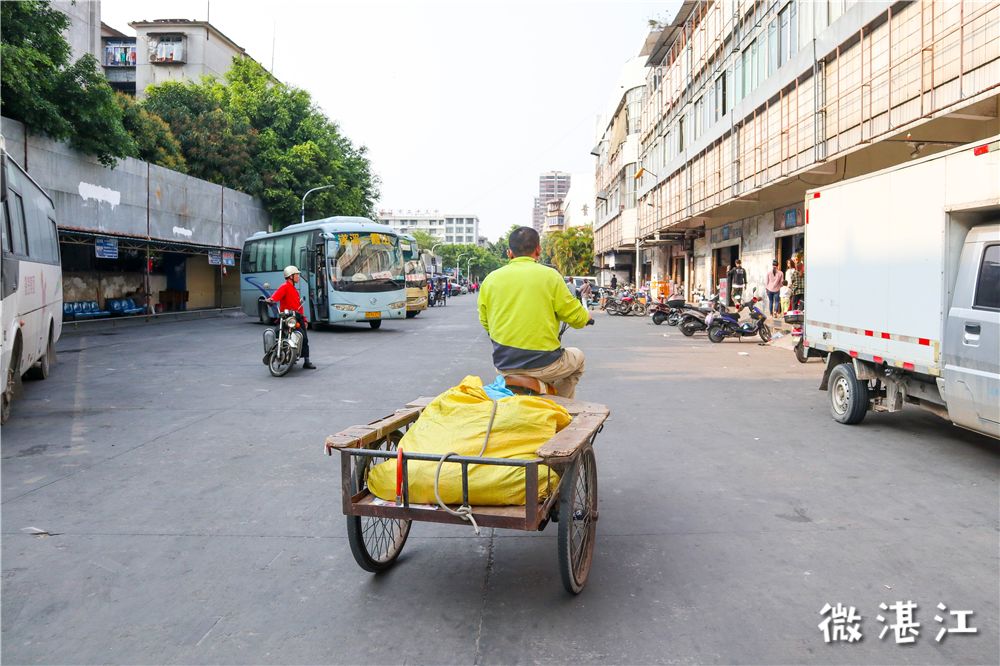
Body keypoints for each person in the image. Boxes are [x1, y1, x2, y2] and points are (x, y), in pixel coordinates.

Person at [478, 227, 592, 398]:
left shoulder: (490, 279)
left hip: (504, 365)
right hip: (544, 364)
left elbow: (485, 322)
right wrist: (586, 317)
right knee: (578, 358)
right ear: (538, 249)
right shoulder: (550, 276)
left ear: (509, 253)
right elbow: (575, 317)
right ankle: (558, 405)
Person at [266, 265, 316, 369]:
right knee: (276, 333)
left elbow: (299, 307)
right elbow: (276, 296)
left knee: (304, 338)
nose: (298, 276)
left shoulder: (294, 290)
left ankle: (306, 361)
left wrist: (304, 319)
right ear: (290, 276)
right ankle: (276, 354)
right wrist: (271, 300)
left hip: (297, 317)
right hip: (286, 317)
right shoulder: (284, 287)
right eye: (297, 275)